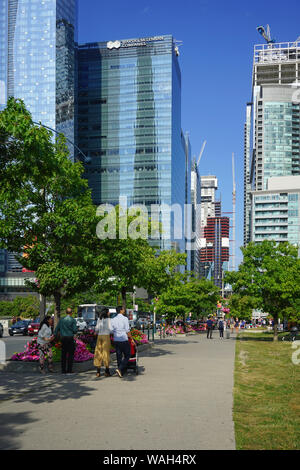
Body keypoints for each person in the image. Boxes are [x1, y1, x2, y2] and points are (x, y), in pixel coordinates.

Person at [111, 306, 134, 378]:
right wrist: (132, 339)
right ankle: (120, 368)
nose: (124, 310)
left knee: (119, 355)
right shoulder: (125, 319)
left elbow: (111, 330)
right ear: (120, 310)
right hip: (124, 339)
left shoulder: (113, 319)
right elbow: (127, 330)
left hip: (116, 339)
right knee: (127, 355)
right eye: (123, 309)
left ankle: (121, 370)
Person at [54, 307, 78, 374]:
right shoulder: (73, 320)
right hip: (70, 338)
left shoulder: (61, 320)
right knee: (70, 354)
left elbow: (57, 329)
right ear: (71, 313)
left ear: (66, 312)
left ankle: (63, 370)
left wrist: (54, 336)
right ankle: (69, 370)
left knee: (63, 354)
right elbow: (75, 330)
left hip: (63, 338)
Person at [93, 307, 112, 378]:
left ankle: (98, 371)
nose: (109, 313)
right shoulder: (109, 320)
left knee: (98, 352)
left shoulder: (99, 319)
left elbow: (96, 328)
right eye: (109, 312)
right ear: (106, 313)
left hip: (99, 336)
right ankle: (107, 371)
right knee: (106, 353)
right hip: (106, 336)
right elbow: (111, 329)